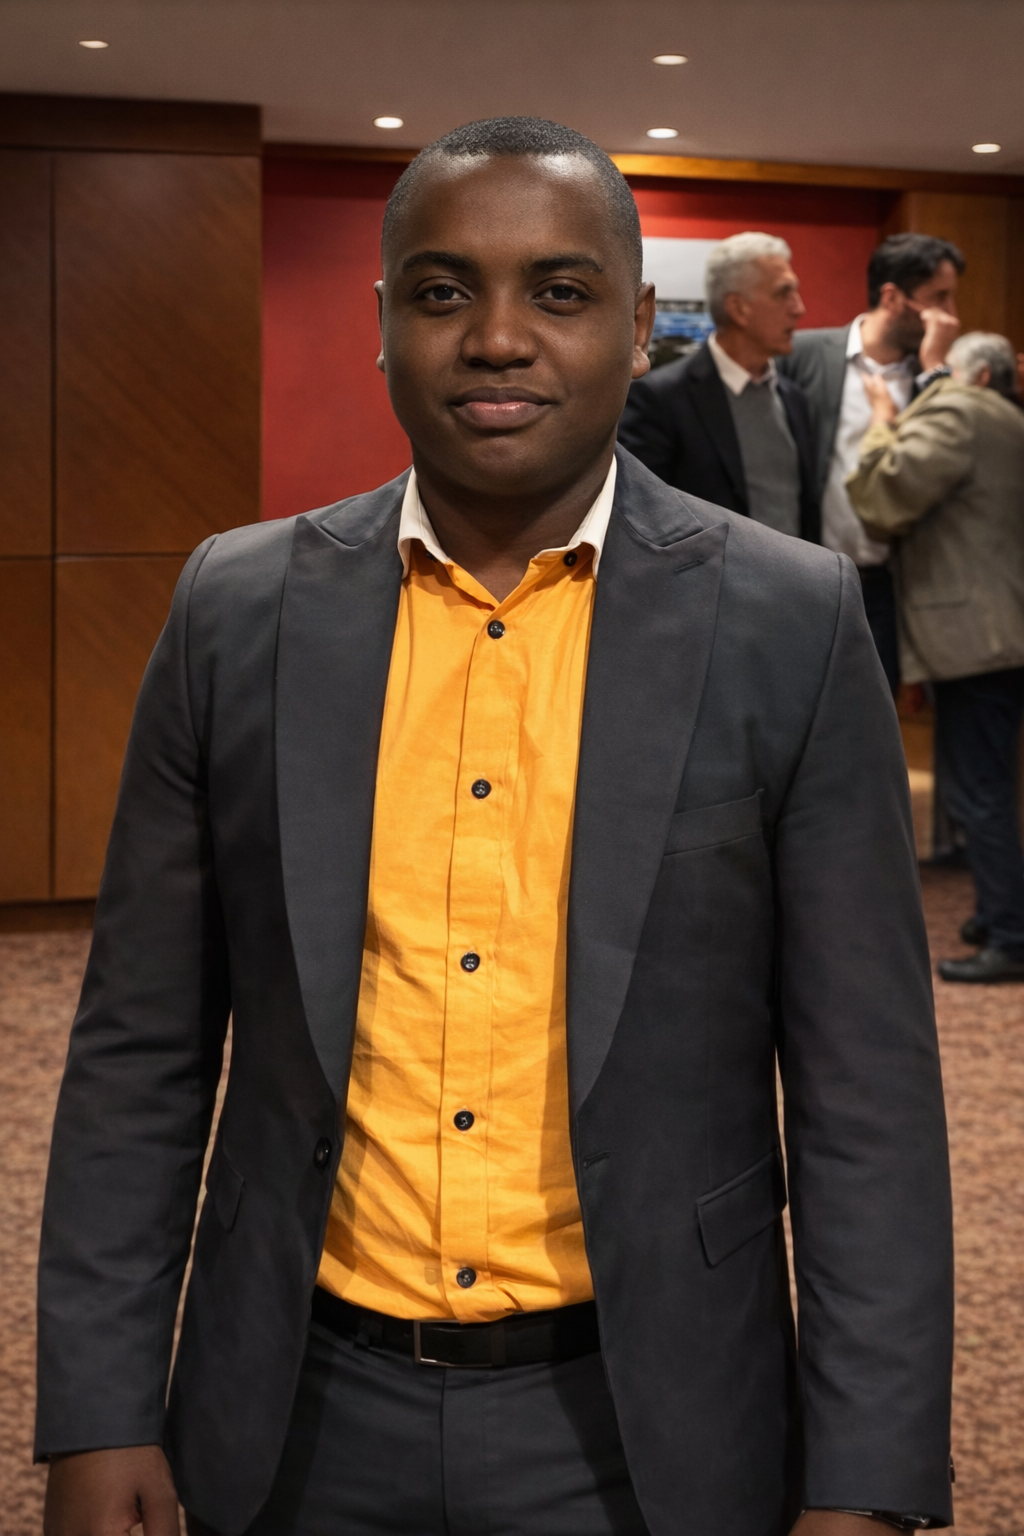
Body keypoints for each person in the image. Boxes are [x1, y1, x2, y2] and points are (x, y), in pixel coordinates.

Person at [37, 118, 953, 1536]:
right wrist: (99, 1410)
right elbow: (137, 1056)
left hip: (650, 1426)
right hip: (290, 1411)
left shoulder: (788, 622)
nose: (499, 339)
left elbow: (867, 1102)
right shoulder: (235, 611)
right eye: (444, 291)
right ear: (383, 321)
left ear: (639, 328)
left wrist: (866, 1487)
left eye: (561, 292)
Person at [847, 331, 1024, 984]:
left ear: (976, 375)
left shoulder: (963, 408)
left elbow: (882, 492)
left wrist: (883, 420)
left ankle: (1010, 935)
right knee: (987, 782)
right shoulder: (1007, 416)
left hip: (974, 637)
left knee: (979, 792)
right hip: (998, 631)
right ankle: (1001, 913)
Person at [777, 234, 963, 695]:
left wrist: (936, 372)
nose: (951, 315)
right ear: (892, 297)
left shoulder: (936, 379)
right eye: (939, 297)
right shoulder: (801, 354)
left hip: (888, 586)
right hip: (805, 572)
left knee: (874, 711)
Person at [618, 232, 820, 541]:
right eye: (784, 293)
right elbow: (645, 516)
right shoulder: (661, 399)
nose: (799, 308)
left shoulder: (793, 398)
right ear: (739, 308)